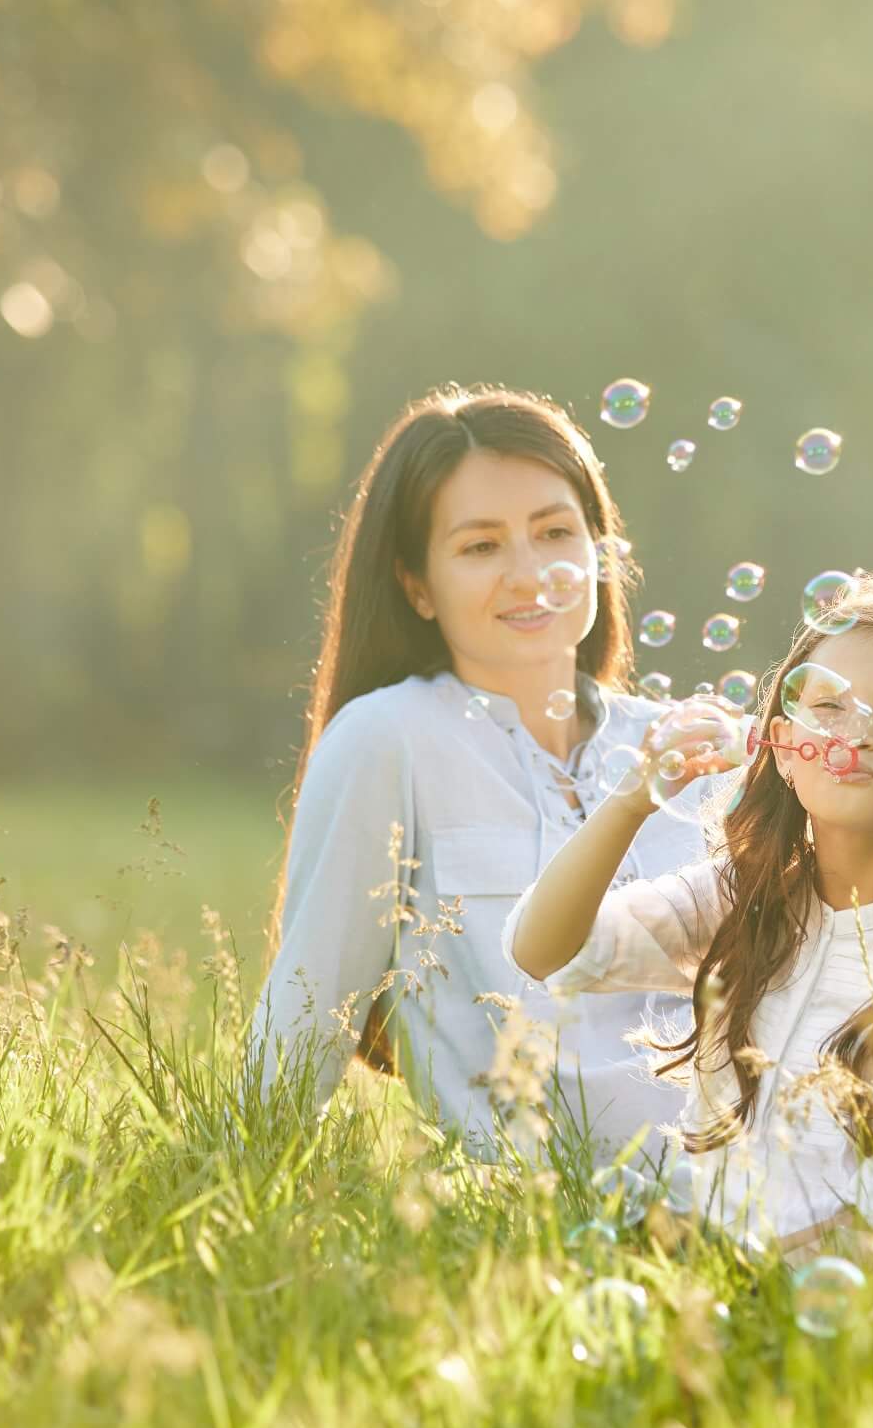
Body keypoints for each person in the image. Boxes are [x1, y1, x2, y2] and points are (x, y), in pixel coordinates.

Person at [506, 573, 873, 1249]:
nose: (858, 731)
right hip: (743, 1287)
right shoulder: (744, 902)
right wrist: (631, 799)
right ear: (785, 748)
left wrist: (738, 1264)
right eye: (828, 705)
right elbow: (544, 949)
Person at [249, 384, 723, 1161]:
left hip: (743, 1185)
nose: (530, 573)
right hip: (546, 1211)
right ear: (416, 585)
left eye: (554, 532)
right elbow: (308, 1010)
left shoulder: (681, 747)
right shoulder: (388, 738)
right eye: (480, 546)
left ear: (599, 554)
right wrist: (245, 1188)